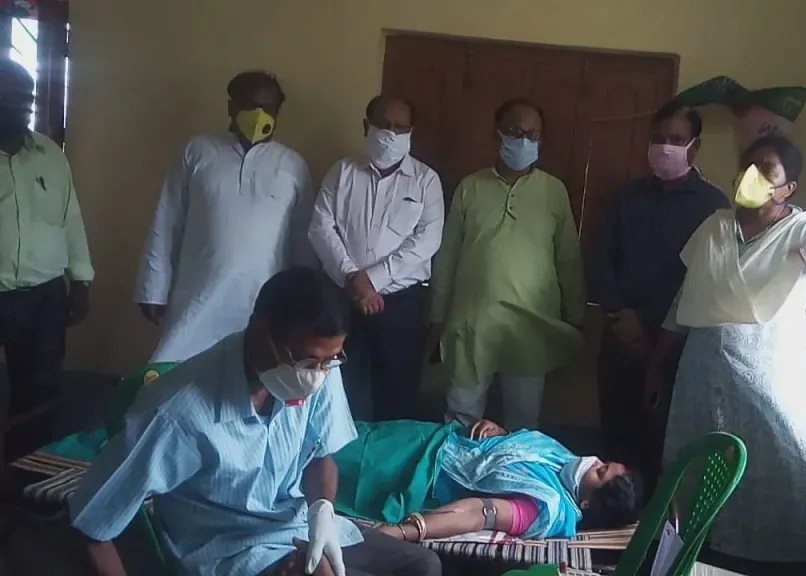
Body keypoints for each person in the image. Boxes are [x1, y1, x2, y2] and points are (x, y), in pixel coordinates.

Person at [69, 268, 442, 576]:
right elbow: (91, 524)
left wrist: (322, 514)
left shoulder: (319, 369)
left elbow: (320, 454)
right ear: (262, 333)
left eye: (331, 360)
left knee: (422, 567)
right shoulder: (176, 414)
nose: (319, 374)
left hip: (294, 525)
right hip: (227, 551)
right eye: (310, 361)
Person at [646, 135, 806, 576]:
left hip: (773, 378)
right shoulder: (714, 228)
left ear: (788, 187)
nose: (753, 175)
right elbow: (686, 301)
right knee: (698, 468)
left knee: (797, 468)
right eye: (749, 165)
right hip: (704, 378)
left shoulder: (804, 229)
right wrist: (657, 365)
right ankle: (697, 558)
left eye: (767, 169)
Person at [587, 103, 728, 484]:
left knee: (667, 447)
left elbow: (710, 279)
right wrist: (619, 314)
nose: (666, 147)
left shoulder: (715, 208)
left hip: (678, 347)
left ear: (695, 147)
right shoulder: (626, 197)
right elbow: (600, 258)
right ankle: (612, 514)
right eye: (659, 138)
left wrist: (657, 328)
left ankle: (659, 518)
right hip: (621, 337)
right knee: (615, 442)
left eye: (677, 140)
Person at [136, 70, 314, 363]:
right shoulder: (197, 151)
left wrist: (302, 302)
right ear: (232, 107)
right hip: (197, 298)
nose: (259, 114)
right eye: (250, 105)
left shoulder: (293, 165)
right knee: (175, 370)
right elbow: (167, 222)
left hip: (261, 302)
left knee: (248, 373)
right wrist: (153, 288)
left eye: (268, 108)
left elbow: (302, 241)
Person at [430, 98, 585, 431]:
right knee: (460, 419)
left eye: (533, 134)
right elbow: (447, 255)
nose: (524, 140)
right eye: (515, 131)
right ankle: (455, 467)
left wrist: (576, 317)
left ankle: (512, 468)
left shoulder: (553, 191)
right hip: (472, 324)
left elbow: (568, 258)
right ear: (496, 135)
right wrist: (437, 316)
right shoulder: (470, 187)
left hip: (531, 326)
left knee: (523, 424)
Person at [309, 95, 444, 421]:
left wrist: (371, 280)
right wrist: (351, 278)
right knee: (339, 389)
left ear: (411, 131)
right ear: (366, 126)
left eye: (400, 127)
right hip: (342, 298)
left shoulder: (426, 181)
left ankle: (393, 452)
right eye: (384, 125)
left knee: (398, 393)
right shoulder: (342, 172)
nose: (391, 133)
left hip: (400, 304)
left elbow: (427, 240)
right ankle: (341, 449)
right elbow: (321, 227)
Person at [329, 417, 643, 542]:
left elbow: (481, 512)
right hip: (428, 439)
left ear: (588, 503)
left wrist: (405, 531)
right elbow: (523, 454)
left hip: (409, 473)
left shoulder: (545, 508)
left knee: (330, 455)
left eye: (600, 471)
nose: (593, 461)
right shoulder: (565, 464)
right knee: (343, 431)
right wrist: (501, 433)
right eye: (604, 462)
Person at [0, 58, 93, 462]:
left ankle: (25, 471)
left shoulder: (50, 154)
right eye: (6, 97)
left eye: (25, 98)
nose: (16, 106)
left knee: (38, 394)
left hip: (44, 296)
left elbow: (70, 217)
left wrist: (81, 281)